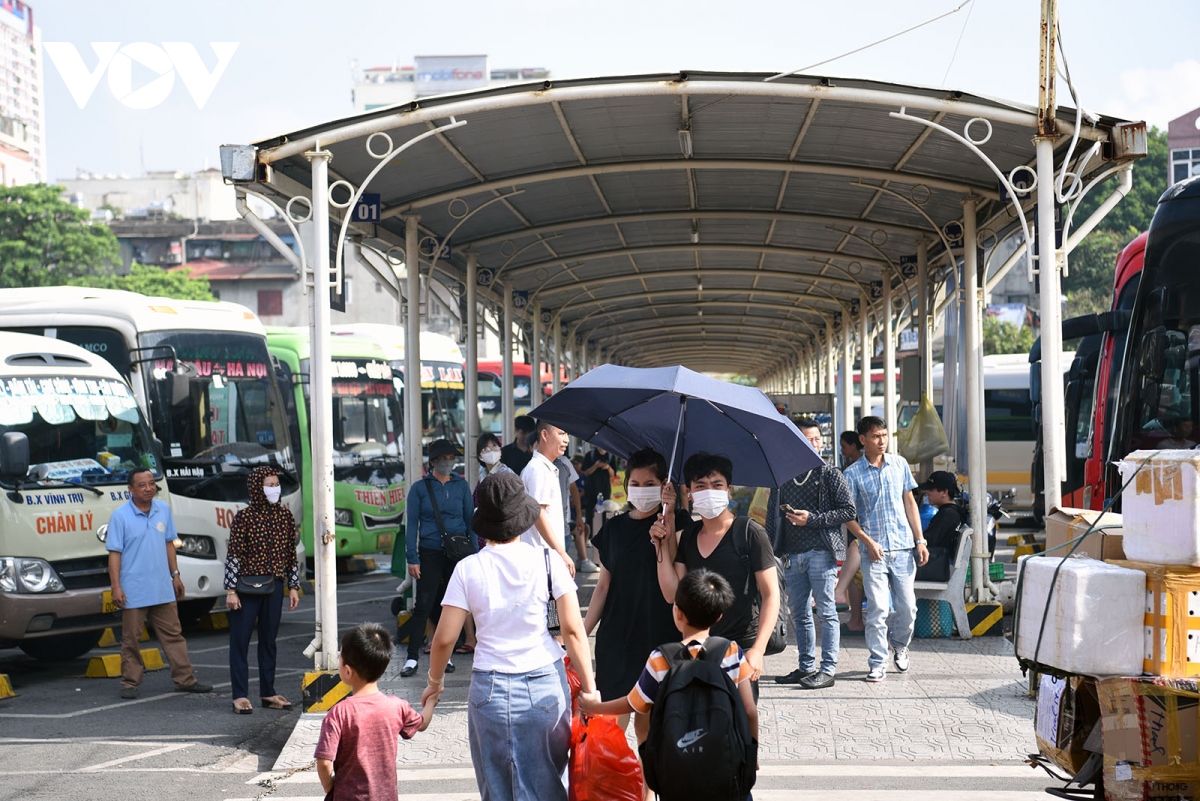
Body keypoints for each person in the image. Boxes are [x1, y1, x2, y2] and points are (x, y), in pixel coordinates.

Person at [422, 472, 598, 801]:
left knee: (498, 789)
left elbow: (444, 638)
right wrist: (589, 690)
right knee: (546, 784)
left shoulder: (468, 569)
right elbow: (573, 630)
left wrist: (435, 683)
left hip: (489, 688)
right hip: (546, 686)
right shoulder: (550, 563)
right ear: (524, 518)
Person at [579, 568, 758, 754]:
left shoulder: (661, 658)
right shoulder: (732, 652)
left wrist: (596, 707)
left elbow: (634, 703)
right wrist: (751, 754)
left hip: (675, 759)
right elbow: (749, 710)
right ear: (719, 616)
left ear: (677, 612)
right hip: (722, 759)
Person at [652, 452, 780, 699]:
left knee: (741, 724)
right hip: (699, 648)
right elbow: (672, 594)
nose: (709, 491)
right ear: (688, 492)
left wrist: (757, 650)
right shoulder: (688, 536)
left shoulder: (750, 533)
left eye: (716, 485)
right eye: (700, 486)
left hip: (741, 647)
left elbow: (770, 594)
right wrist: (660, 544)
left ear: (729, 490)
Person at [584, 447, 691, 740]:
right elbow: (603, 586)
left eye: (650, 485)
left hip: (660, 637)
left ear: (664, 487)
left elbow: (674, 584)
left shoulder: (679, 524)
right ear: (625, 485)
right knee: (610, 727)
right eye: (635, 484)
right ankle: (611, 784)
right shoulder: (614, 528)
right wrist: (581, 633)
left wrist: (668, 523)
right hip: (616, 639)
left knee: (650, 726)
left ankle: (647, 788)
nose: (641, 490)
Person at [105, 467, 212, 699]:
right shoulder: (120, 516)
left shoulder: (163, 510)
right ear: (130, 490)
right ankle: (130, 683)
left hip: (162, 586)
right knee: (131, 638)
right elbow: (114, 554)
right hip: (133, 589)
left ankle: (185, 680)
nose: (148, 488)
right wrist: (116, 587)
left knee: (174, 635)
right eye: (142, 485)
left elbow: (169, 544)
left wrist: (176, 574)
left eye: (151, 483)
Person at [766, 419, 856, 690]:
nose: (814, 444)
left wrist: (812, 519)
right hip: (792, 554)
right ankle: (806, 666)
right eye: (808, 439)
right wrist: (770, 552)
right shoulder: (780, 476)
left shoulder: (830, 473)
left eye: (817, 439)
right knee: (799, 614)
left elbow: (848, 511)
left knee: (826, 611)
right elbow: (772, 517)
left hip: (821, 552)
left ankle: (828, 670)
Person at [843, 416, 928, 682]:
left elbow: (910, 503)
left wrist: (920, 540)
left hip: (903, 549)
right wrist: (867, 542)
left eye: (884, 435)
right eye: (876, 436)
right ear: (863, 440)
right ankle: (877, 661)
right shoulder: (852, 474)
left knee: (908, 608)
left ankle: (900, 644)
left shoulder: (899, 465)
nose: (882, 441)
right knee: (878, 608)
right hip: (873, 552)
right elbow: (848, 516)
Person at [315, 623, 435, 800]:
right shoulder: (396, 706)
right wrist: (431, 702)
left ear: (347, 671)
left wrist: (329, 785)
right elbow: (422, 723)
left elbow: (324, 761)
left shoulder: (340, 713)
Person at [224, 466, 301, 714]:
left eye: (276, 484)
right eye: (269, 484)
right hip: (246, 587)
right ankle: (240, 696)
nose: (274, 489)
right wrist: (231, 590)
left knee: (269, 641)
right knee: (240, 641)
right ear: (257, 487)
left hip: (275, 586)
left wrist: (293, 587)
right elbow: (233, 555)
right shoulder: (244, 517)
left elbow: (291, 555)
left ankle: (268, 692)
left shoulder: (285, 517)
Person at [401, 438, 477, 678]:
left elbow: (470, 522)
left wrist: (474, 555)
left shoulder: (462, 486)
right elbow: (411, 524)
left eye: (451, 458)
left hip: (457, 552)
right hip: (430, 550)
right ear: (432, 462)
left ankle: (447, 655)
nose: (448, 463)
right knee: (423, 604)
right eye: (443, 459)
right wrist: (412, 557)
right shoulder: (420, 488)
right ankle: (412, 658)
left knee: (451, 605)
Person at [520, 419, 576, 574]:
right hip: (542, 557)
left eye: (567, 434)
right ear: (544, 434)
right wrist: (561, 552)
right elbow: (539, 514)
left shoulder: (544, 468)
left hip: (545, 556)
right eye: (561, 433)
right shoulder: (539, 470)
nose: (567, 439)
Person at [834, 429, 867, 632]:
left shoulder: (855, 469)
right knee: (856, 573)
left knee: (855, 561)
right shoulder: (849, 468)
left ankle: (855, 616)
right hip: (855, 525)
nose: (842, 450)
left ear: (855, 445)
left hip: (861, 527)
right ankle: (856, 619)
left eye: (844, 446)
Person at [915, 471, 964, 582]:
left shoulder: (947, 515)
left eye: (931, 490)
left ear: (944, 492)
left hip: (935, 566)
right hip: (939, 564)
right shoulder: (951, 512)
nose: (927, 493)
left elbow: (928, 541)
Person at [555, 453, 596, 573]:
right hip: (551, 521)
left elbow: (574, 490)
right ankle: (582, 560)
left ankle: (582, 560)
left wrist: (578, 515)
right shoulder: (534, 466)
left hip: (566, 520)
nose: (565, 440)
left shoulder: (563, 462)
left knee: (580, 530)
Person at [582, 445, 620, 528]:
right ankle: (591, 534)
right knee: (590, 513)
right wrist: (596, 466)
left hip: (605, 489)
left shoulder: (610, 456)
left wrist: (608, 467)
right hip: (591, 489)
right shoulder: (590, 455)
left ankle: (605, 532)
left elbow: (613, 475)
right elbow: (585, 472)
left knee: (607, 511)